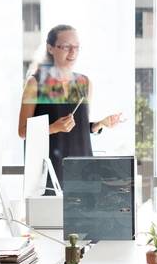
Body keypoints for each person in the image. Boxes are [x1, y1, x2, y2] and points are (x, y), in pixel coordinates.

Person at [17, 24, 123, 186]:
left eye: (76, 47)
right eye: (66, 46)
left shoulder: (84, 82)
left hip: (83, 171)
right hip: (49, 173)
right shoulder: (36, 83)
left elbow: (80, 128)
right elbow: (23, 131)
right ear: (50, 48)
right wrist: (54, 128)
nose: (73, 52)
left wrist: (99, 124)